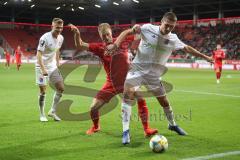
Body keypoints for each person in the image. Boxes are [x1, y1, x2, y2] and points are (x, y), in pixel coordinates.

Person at [107, 12, 213, 144]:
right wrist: (116, 45)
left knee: (164, 102)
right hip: (137, 70)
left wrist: (206, 57)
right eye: (167, 25)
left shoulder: (173, 38)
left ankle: (172, 124)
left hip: (154, 75)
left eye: (171, 27)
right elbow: (127, 32)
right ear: (161, 21)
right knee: (127, 95)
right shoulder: (147, 28)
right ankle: (126, 131)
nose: (168, 28)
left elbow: (188, 48)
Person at [69, 23, 158, 137]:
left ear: (111, 33)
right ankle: (96, 127)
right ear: (100, 36)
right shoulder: (99, 48)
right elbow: (80, 45)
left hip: (128, 81)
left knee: (141, 99)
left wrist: (136, 28)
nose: (106, 37)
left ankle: (147, 129)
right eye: (103, 36)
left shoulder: (121, 41)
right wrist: (77, 33)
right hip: (111, 83)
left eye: (107, 34)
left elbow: (136, 34)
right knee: (93, 108)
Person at [36, 18, 64, 122]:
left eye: (61, 28)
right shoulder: (45, 38)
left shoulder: (61, 38)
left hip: (52, 66)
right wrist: (43, 69)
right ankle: (42, 114)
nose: (59, 30)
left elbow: (57, 50)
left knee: (61, 88)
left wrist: (57, 63)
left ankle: (52, 111)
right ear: (52, 26)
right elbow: (38, 53)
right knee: (43, 91)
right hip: (41, 66)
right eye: (57, 27)